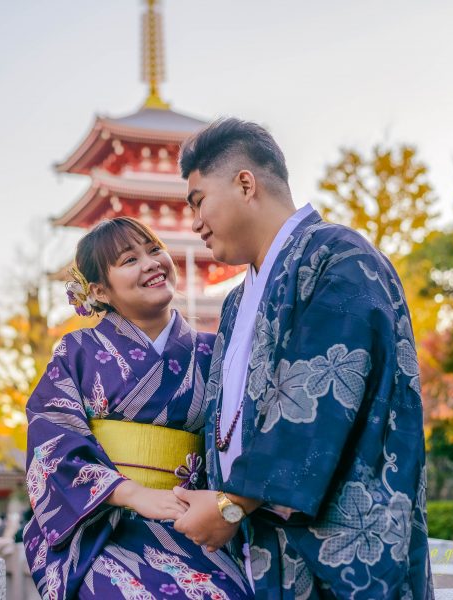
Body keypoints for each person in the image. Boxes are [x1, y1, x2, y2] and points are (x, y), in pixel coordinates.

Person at [172, 118, 433, 599]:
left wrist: (232, 504)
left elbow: (317, 408)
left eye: (198, 200)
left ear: (245, 183)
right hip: (255, 547)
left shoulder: (342, 260)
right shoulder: (234, 305)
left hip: (342, 549)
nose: (194, 223)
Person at [23, 217, 253, 600]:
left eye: (154, 250)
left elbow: (243, 434)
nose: (151, 263)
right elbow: (51, 443)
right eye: (129, 260)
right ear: (99, 289)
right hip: (105, 527)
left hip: (194, 521)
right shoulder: (77, 352)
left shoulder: (215, 353)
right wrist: (129, 492)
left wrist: (226, 507)